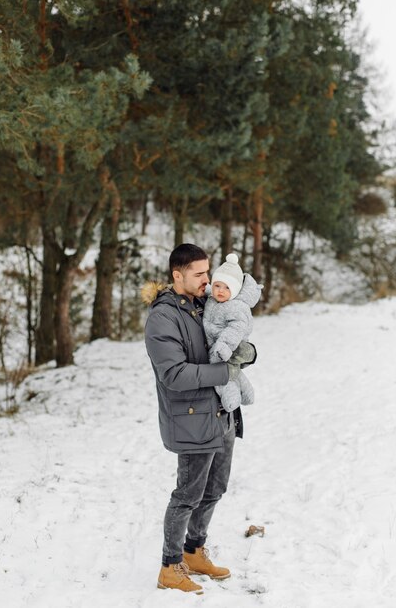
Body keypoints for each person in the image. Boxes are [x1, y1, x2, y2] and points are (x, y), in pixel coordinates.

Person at [143, 243, 256, 595]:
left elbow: (233, 335)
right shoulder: (164, 317)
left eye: (208, 272)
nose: (208, 280)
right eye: (200, 274)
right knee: (187, 494)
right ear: (178, 275)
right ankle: (169, 566)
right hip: (191, 418)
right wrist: (225, 371)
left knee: (214, 489)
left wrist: (246, 353)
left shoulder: (205, 303)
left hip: (221, 413)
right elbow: (173, 375)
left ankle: (193, 551)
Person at [203, 253, 263, 412]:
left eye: (226, 287)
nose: (220, 291)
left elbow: (235, 329)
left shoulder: (236, 307)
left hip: (226, 348)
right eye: (217, 286)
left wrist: (224, 345)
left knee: (225, 377)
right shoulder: (215, 298)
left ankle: (232, 399)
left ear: (235, 290)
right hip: (220, 346)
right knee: (235, 373)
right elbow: (208, 290)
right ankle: (247, 393)